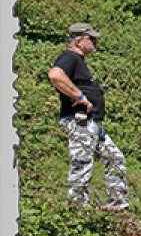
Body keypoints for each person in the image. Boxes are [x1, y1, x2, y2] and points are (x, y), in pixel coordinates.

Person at [47, 22, 129, 211]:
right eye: (91, 39)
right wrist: (79, 96)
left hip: (92, 123)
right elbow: (55, 75)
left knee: (115, 159)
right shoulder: (70, 57)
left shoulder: (79, 61)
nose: (95, 42)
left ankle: (117, 204)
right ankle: (77, 208)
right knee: (82, 163)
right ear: (78, 41)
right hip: (80, 121)